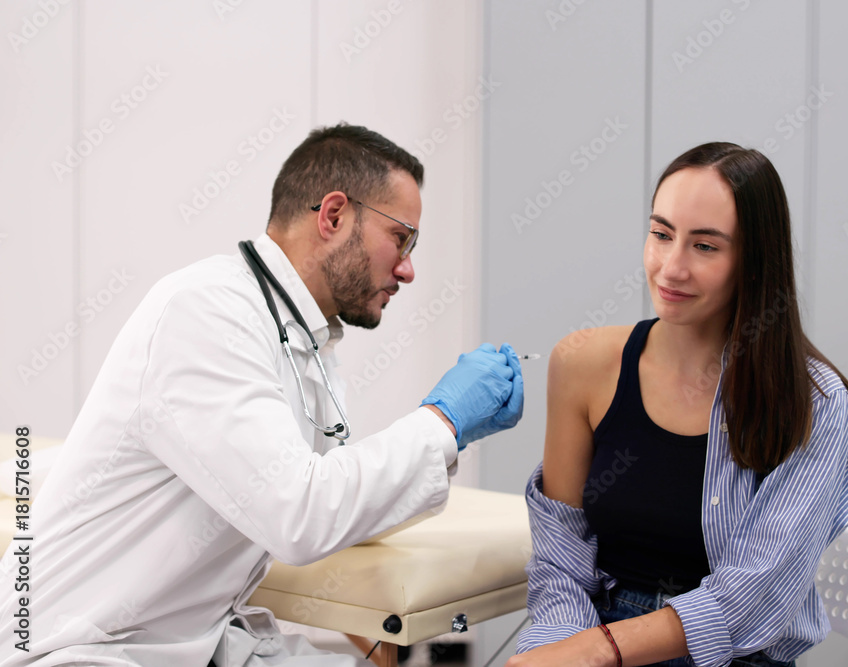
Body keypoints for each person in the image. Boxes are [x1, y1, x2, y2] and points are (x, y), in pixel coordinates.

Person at [0, 123, 523, 666]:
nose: (408, 270)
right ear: (334, 216)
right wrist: (442, 421)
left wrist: (453, 436)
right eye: (401, 238)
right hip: (83, 649)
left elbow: (336, 503)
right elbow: (300, 518)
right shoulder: (206, 311)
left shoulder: (302, 339)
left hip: (188, 641)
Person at [510, 142, 848, 667]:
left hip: (734, 655)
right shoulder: (581, 363)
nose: (671, 268)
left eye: (705, 246)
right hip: (594, 637)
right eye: (661, 234)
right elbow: (561, 557)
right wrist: (560, 647)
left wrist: (600, 650)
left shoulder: (813, 403)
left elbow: (752, 597)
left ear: (753, 262)